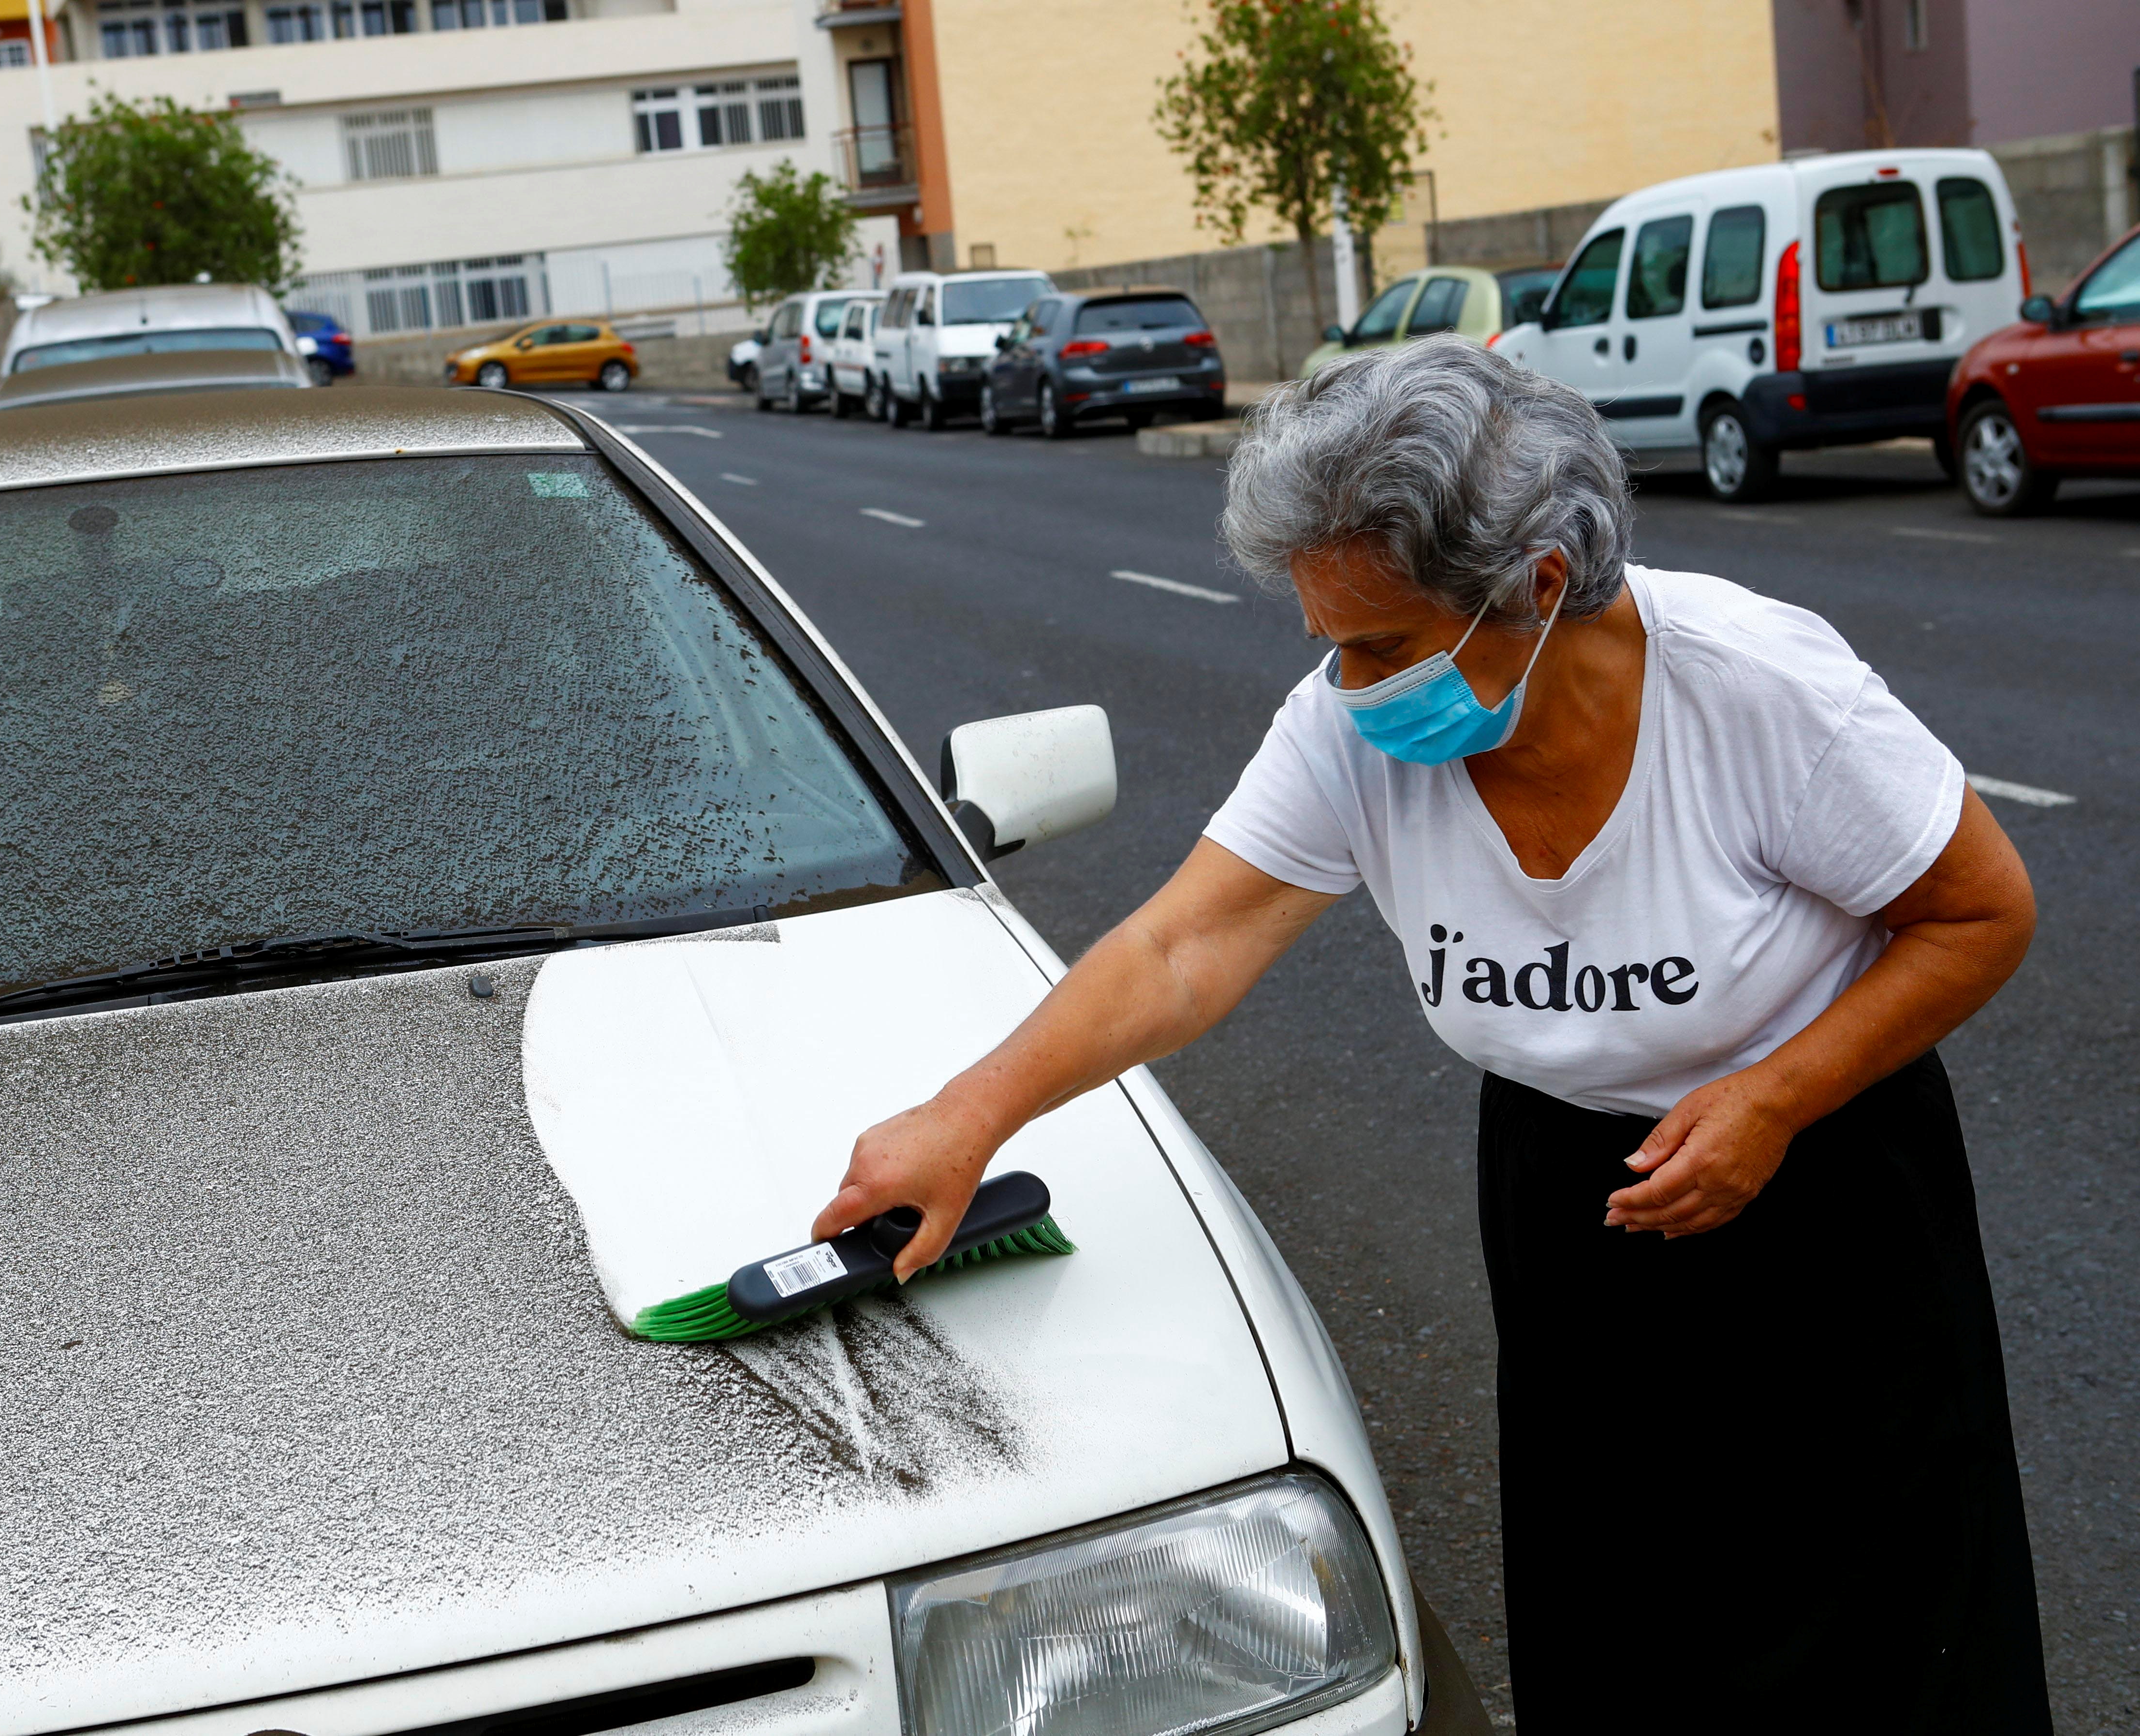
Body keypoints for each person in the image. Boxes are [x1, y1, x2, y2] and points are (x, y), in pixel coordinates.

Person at [816, 338, 2052, 1733]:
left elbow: (1977, 915)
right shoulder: (1346, 731)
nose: (1350, 685)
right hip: (1568, 1195)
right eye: (1327, 645)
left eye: (1384, 646)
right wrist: (969, 1116)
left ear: (1533, 586)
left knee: (1875, 1627)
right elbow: (1182, 946)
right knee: (1622, 1614)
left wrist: (1772, 1097)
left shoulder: (1756, 692)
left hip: (1821, 1183)